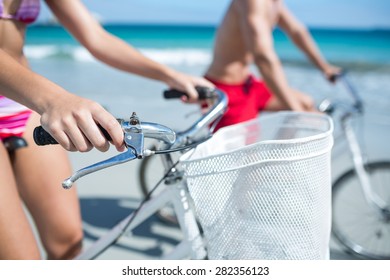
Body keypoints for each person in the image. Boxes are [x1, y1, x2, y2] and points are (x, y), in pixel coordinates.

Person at [0, 0, 212, 260]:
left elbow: (95, 37)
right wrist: (54, 99)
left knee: (68, 242)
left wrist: (168, 75)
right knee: (21, 261)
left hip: (23, 106)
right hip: (38, 98)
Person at [204, 0, 341, 131]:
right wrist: (296, 112)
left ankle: (285, 154)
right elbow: (263, 58)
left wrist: (325, 68)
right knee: (244, 151)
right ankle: (279, 153)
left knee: (306, 103)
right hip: (226, 91)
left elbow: (297, 31)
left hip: (249, 84)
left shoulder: (274, 2)